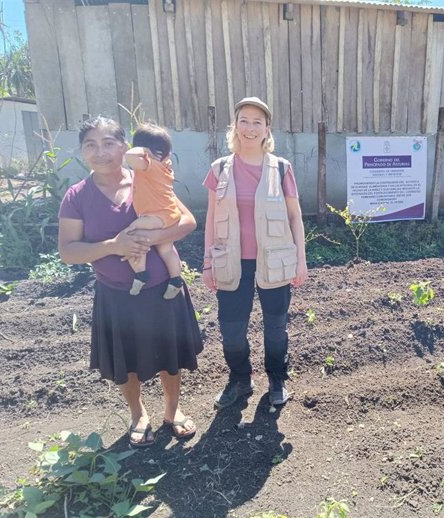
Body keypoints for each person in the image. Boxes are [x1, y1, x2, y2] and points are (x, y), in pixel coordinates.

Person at [58, 116, 203, 448]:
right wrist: (114, 247)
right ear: (82, 152)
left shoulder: (145, 178)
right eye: (90, 145)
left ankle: (172, 410)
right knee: (128, 361)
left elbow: (188, 221)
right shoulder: (77, 196)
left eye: (109, 142)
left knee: (170, 356)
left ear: (125, 146)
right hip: (116, 295)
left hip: (161, 291)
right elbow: (68, 251)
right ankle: (138, 414)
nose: (101, 152)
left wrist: (151, 239)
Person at [202, 97, 308, 409]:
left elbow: (295, 217)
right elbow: (209, 218)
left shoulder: (281, 168)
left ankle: (276, 378)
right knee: (231, 329)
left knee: (275, 326)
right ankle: (240, 379)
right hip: (230, 261)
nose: (250, 127)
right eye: (244, 120)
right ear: (235, 126)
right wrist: (207, 263)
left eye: (257, 122)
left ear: (266, 130)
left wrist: (301, 260)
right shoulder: (219, 169)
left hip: (274, 262)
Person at [123, 123, 183, 299]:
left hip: (157, 216)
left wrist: (142, 151)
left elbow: (128, 156)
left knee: (134, 234)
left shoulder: (150, 166)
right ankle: (176, 280)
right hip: (169, 214)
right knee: (166, 250)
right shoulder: (165, 168)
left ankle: (141, 274)